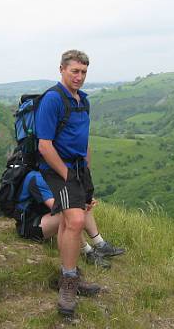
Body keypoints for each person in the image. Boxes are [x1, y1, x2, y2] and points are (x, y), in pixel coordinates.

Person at [36, 49, 98, 316]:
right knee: (75, 221)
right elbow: (44, 145)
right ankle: (69, 284)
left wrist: (85, 172)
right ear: (61, 69)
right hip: (57, 168)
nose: (80, 77)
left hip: (77, 168)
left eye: (84, 72)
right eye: (75, 71)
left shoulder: (83, 100)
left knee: (67, 221)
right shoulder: (52, 99)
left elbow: (83, 139)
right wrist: (66, 174)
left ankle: (66, 275)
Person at [15, 170, 125, 269]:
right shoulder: (38, 178)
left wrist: (86, 201)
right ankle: (88, 252)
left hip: (43, 219)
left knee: (79, 206)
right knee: (71, 213)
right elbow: (58, 208)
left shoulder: (52, 175)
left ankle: (100, 244)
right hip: (30, 226)